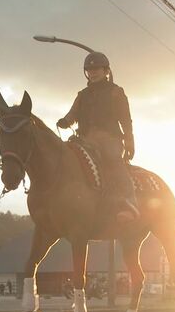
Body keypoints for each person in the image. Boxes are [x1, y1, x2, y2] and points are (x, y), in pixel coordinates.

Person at [57, 51, 139, 223]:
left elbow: (125, 119)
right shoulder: (82, 95)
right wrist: (65, 121)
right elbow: (72, 113)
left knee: (114, 162)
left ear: (106, 71)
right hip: (85, 140)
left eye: (97, 69)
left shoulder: (116, 92)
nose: (93, 72)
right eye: (90, 70)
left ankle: (129, 204)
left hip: (109, 140)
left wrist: (130, 142)